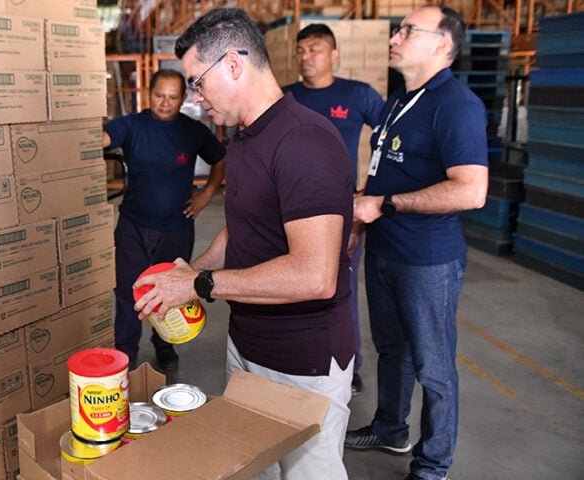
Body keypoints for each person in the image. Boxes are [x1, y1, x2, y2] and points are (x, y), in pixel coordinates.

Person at [132, 8, 355, 480]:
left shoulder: (304, 142)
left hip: (302, 363)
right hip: (248, 347)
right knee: (260, 470)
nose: (195, 98)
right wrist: (189, 272)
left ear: (233, 64)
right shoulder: (246, 137)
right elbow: (243, 226)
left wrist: (202, 285)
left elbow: (315, 276)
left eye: (197, 82)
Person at [345, 6, 488, 480]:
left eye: (408, 30)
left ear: (442, 44)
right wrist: (360, 225)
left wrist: (384, 205)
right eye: (398, 28)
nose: (395, 37)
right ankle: (390, 427)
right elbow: (379, 174)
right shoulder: (399, 101)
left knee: (434, 367)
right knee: (391, 349)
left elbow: (471, 190)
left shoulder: (456, 104)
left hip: (427, 260)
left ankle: (433, 464)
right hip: (385, 251)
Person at [282, 23, 385, 397]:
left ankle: (348, 363)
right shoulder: (285, 97)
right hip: (287, 212)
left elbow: (390, 138)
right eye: (301, 50)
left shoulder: (357, 95)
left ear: (334, 54)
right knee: (289, 285)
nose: (306, 57)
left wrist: (367, 195)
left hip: (341, 216)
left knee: (340, 291)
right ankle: (294, 357)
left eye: (316, 49)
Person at [103, 69, 226, 372]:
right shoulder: (132, 125)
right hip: (134, 226)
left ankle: (164, 345)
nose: (165, 103)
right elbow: (106, 138)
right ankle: (126, 352)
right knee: (128, 291)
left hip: (176, 229)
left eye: (172, 97)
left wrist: (206, 195)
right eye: (159, 96)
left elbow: (221, 160)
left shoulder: (192, 130)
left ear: (182, 99)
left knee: (170, 291)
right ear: (149, 93)